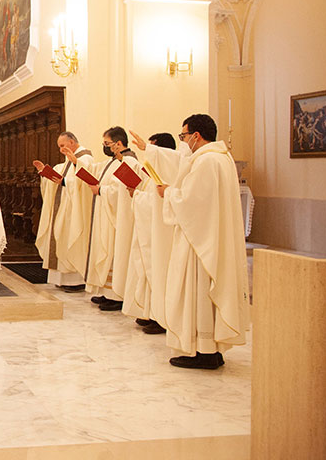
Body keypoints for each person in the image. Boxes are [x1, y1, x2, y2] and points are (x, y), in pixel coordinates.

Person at [157, 114, 250, 369]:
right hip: (210, 236)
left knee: (198, 291)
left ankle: (204, 351)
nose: (183, 141)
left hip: (200, 242)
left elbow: (192, 202)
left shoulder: (207, 161)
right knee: (206, 295)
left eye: (184, 136)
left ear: (196, 136)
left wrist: (168, 193)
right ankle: (212, 349)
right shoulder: (221, 158)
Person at [124, 131, 179, 334]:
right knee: (147, 271)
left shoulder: (169, 173)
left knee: (158, 272)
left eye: (151, 150)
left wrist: (136, 196)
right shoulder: (153, 171)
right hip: (149, 231)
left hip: (162, 235)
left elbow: (157, 202)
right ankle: (149, 312)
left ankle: (160, 317)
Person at [84, 126, 142, 312]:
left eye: (107, 144)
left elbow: (121, 191)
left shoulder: (130, 162)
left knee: (117, 252)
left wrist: (101, 190)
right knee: (107, 250)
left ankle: (117, 295)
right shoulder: (116, 161)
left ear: (118, 143)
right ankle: (106, 291)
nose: (105, 147)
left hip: (120, 217)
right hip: (108, 212)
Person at [32, 131, 94, 291]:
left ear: (72, 142)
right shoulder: (69, 160)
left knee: (70, 237)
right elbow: (59, 176)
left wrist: (65, 181)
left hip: (74, 209)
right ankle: (62, 279)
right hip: (63, 205)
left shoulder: (85, 158)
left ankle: (75, 280)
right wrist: (45, 174)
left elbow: (85, 181)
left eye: (63, 146)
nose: (61, 150)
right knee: (60, 238)